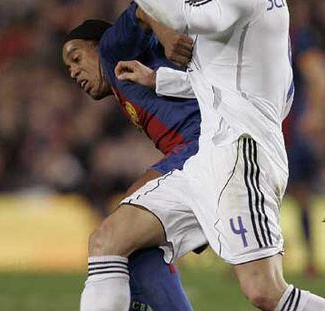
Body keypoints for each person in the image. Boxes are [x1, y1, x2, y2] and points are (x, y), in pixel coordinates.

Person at [111, 0, 325, 310]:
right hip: (212, 156)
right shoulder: (261, 18)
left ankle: (304, 255)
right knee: (112, 239)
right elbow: (220, 79)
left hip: (242, 152)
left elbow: (186, 17)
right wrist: (160, 79)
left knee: (264, 290)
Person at [62, 3, 208, 311]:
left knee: (115, 232)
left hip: (200, 148)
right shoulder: (126, 78)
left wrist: (167, 35)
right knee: (135, 244)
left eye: (76, 58)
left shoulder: (113, 48)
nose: (73, 71)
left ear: (97, 46)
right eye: (68, 68)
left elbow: (143, 7)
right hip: (199, 151)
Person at [283, 0, 325, 277]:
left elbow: (317, 77)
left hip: (290, 127)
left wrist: (316, 114)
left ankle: (310, 257)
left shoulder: (299, 37)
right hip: (279, 124)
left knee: (299, 193)